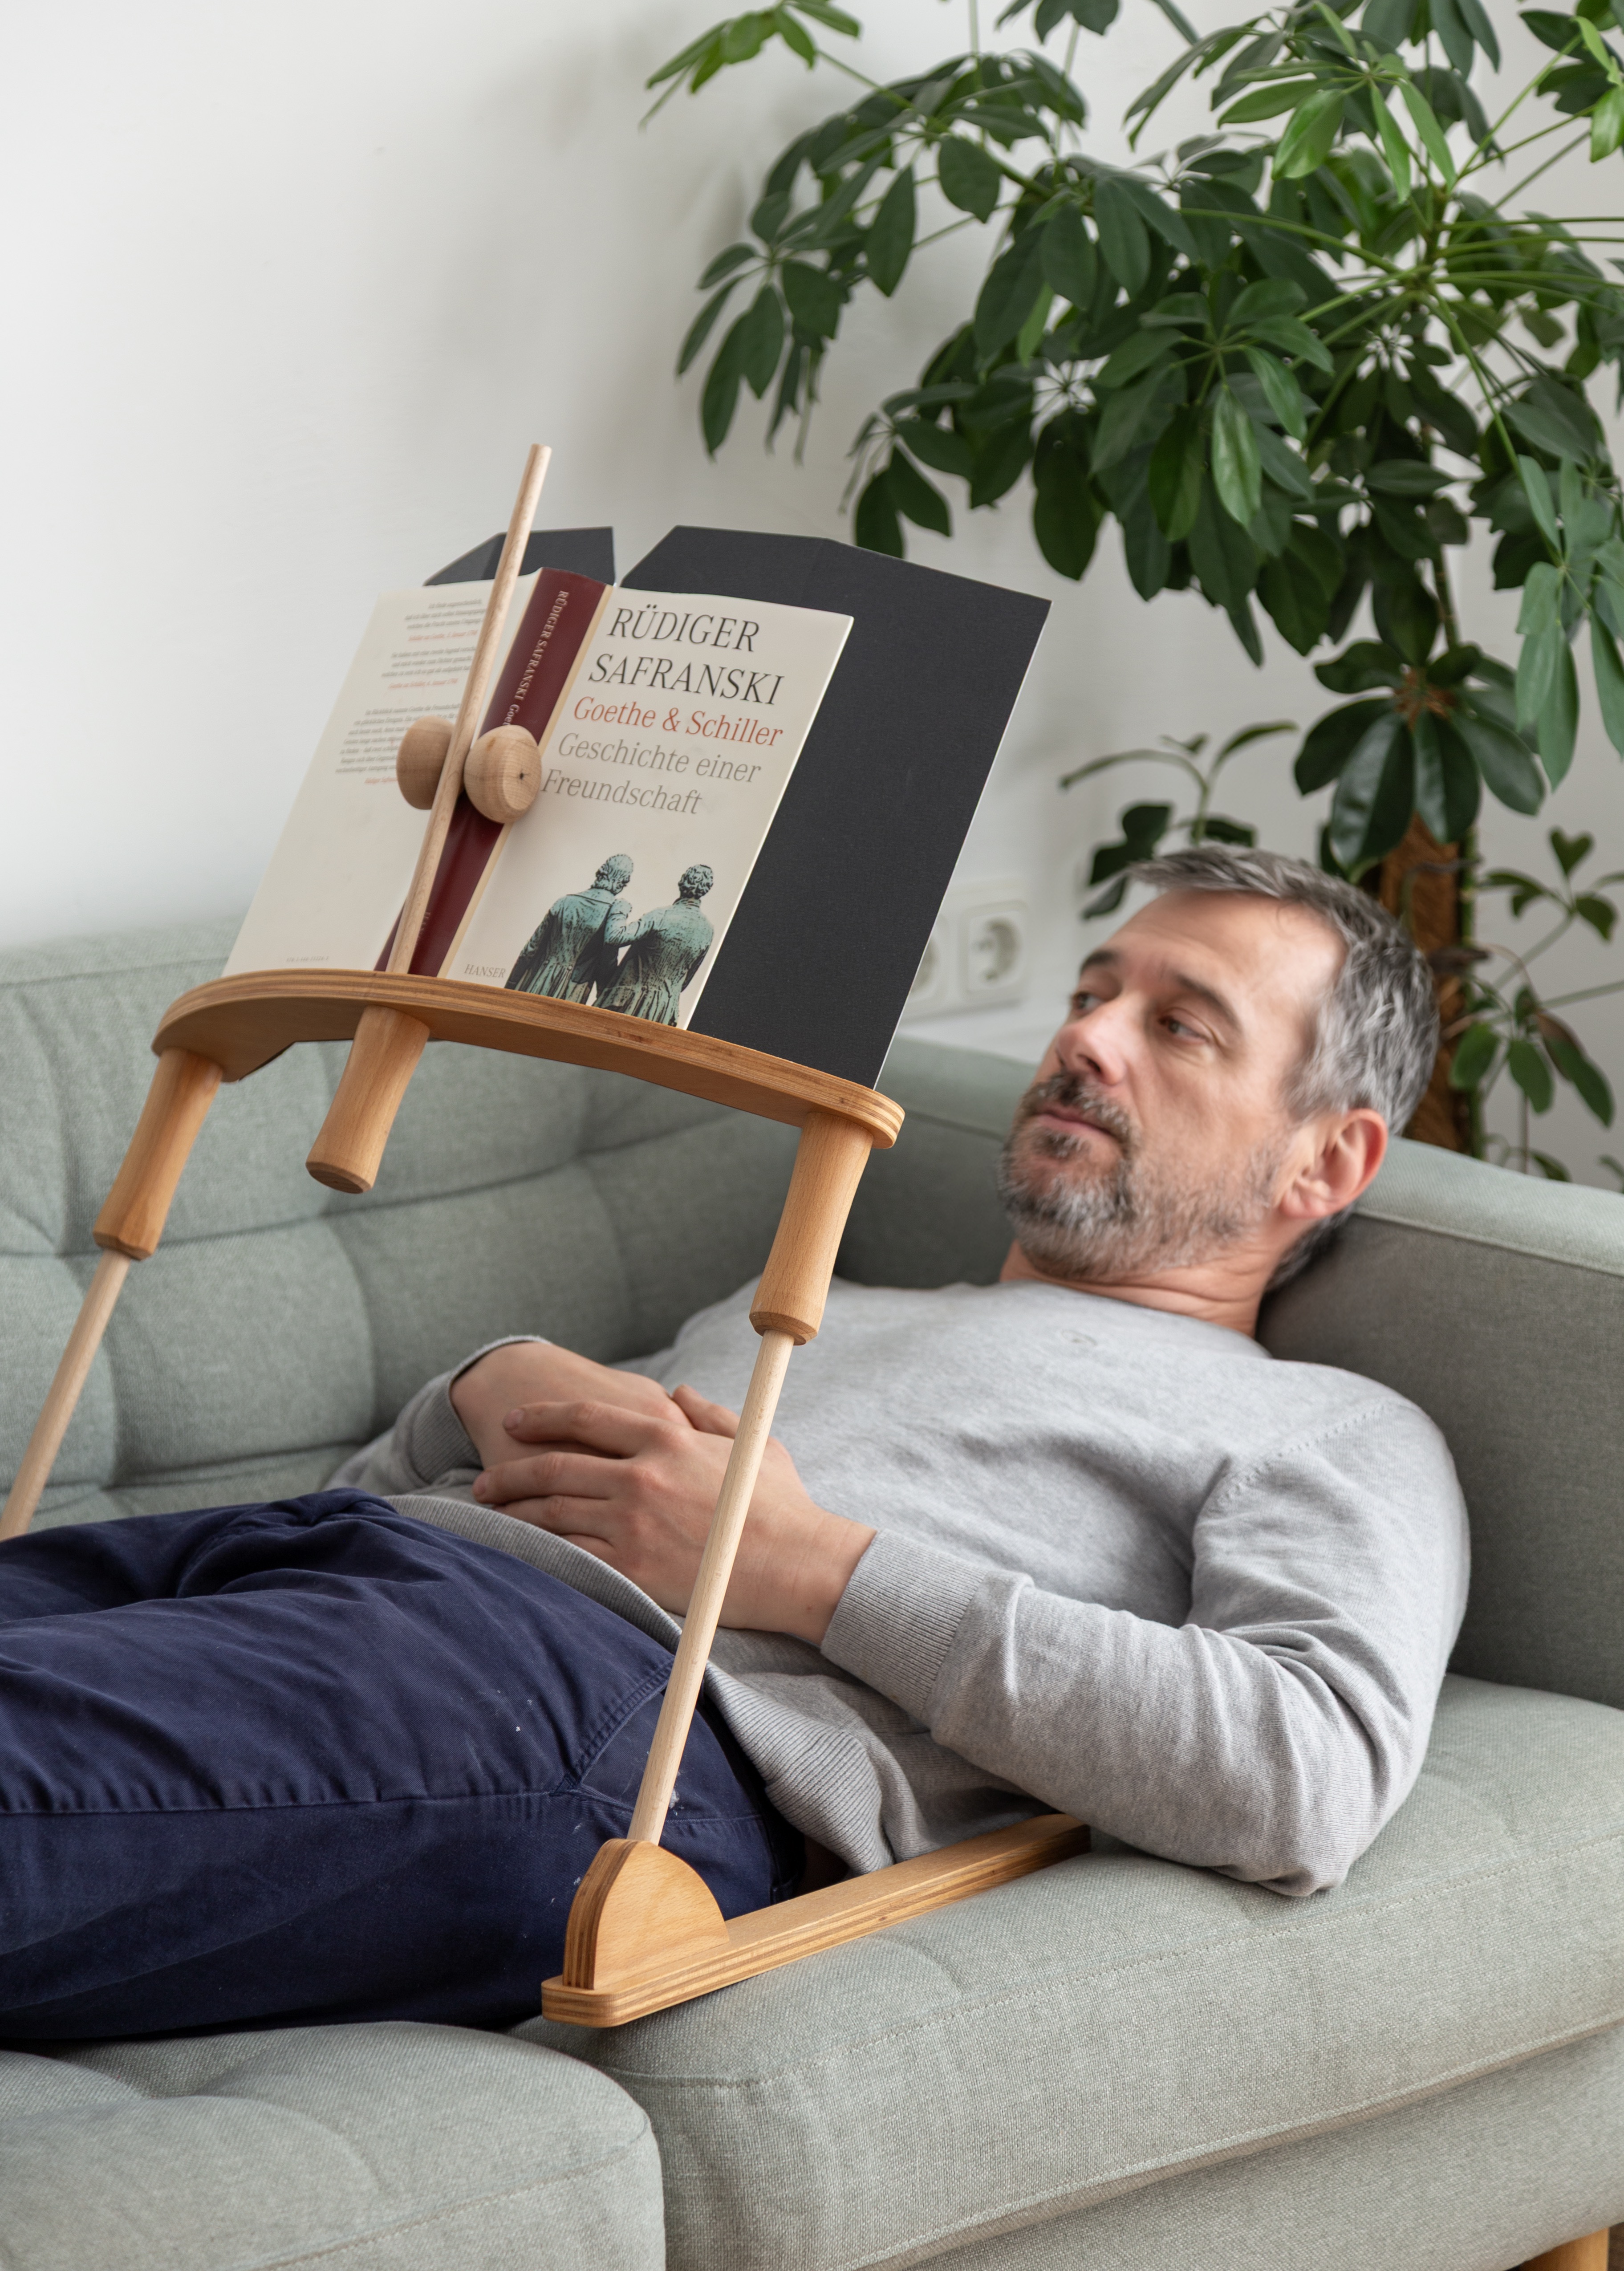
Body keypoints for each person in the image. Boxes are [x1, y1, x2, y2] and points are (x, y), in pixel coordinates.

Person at [0, 849, 1467, 2045]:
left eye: (1175, 1023)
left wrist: (811, 1571)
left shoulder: (1323, 1428)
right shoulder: (823, 1300)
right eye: (1091, 993)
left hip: (610, 1722)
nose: (1080, 1036)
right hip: (332, 1570)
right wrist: (477, 1391)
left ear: (1323, 1160)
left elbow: (1303, 1774)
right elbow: (385, 1509)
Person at [596, 862, 715, 1023]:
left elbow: (615, 938)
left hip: (627, 1004)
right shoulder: (708, 930)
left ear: (682, 882)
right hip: (664, 1012)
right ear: (706, 889)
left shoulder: (661, 915)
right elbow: (685, 981)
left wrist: (620, 910)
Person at [506, 853, 633, 1000]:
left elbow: (529, 951)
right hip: (573, 991)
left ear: (601, 873)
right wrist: (602, 996)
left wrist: (511, 985)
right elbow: (606, 964)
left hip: (536, 981)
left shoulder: (564, 902)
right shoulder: (613, 914)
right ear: (622, 883)